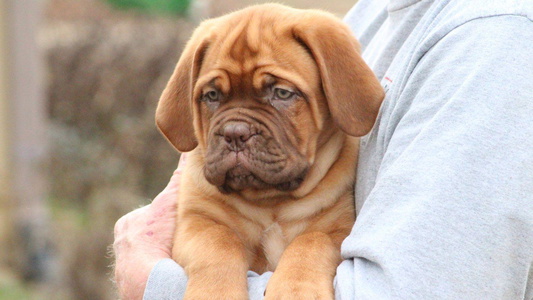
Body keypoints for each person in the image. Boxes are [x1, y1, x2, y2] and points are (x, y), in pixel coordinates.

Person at [113, 0, 533, 298]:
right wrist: (209, 269)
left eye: (279, 92)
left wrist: (159, 288)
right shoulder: (377, 12)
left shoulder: (492, 36)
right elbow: (195, 225)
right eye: (213, 96)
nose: (237, 128)